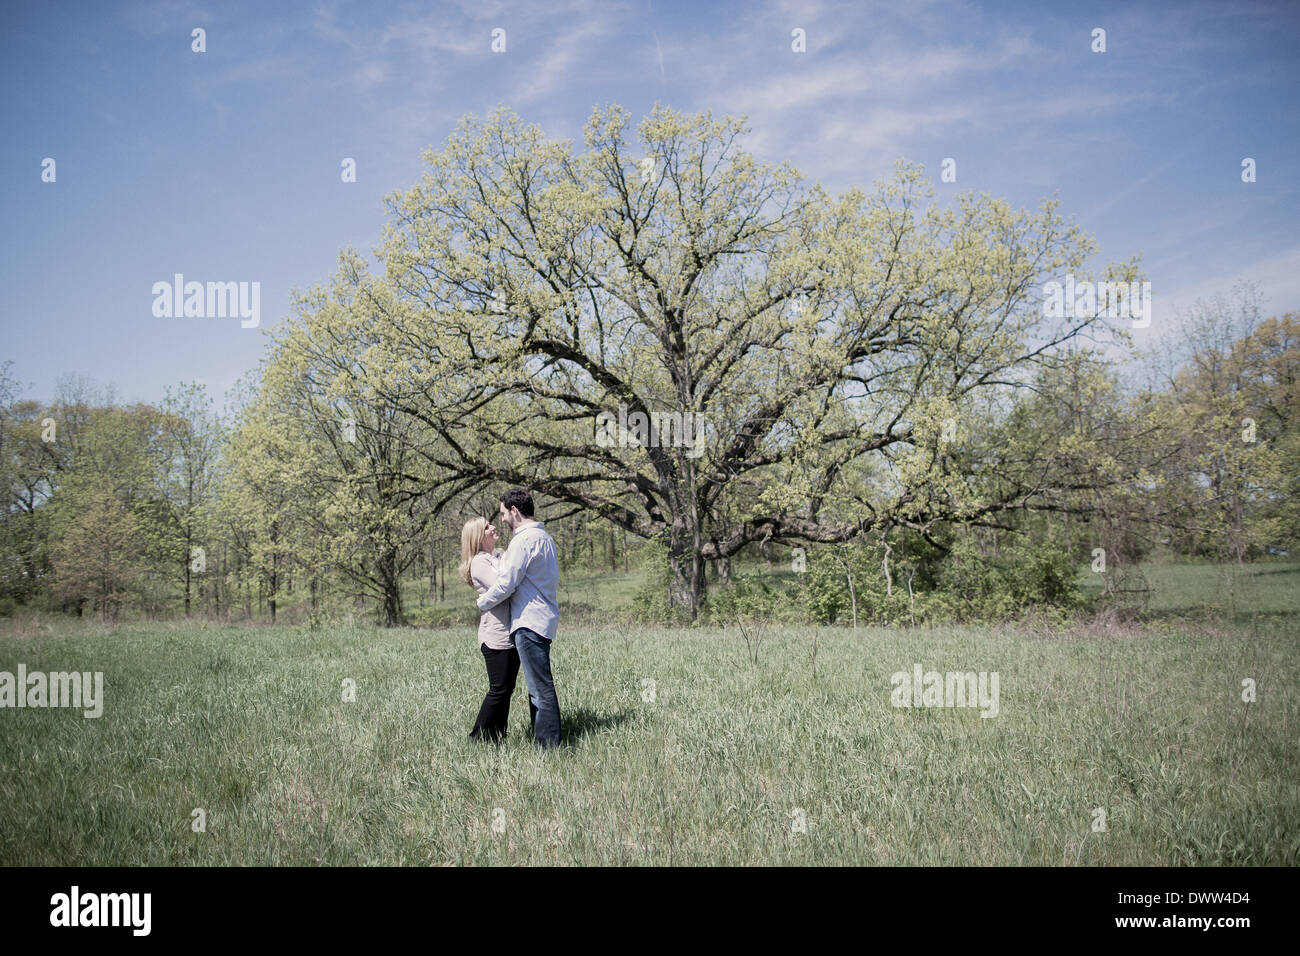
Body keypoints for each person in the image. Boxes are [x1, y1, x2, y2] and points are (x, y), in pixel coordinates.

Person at [475, 489, 561, 749]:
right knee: (539, 686)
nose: (501, 520)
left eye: (502, 513)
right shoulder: (545, 538)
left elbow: (506, 584)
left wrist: (482, 602)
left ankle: (548, 748)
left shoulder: (523, 541)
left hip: (529, 622)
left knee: (540, 689)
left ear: (514, 510)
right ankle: (544, 743)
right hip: (544, 620)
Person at [458, 515, 519, 743]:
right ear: (478, 536)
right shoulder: (479, 562)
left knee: (507, 689)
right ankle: (477, 737)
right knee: (498, 689)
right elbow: (504, 587)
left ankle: (497, 738)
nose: (493, 527)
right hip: (495, 635)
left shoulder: (499, 555)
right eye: (487, 527)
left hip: (509, 632)